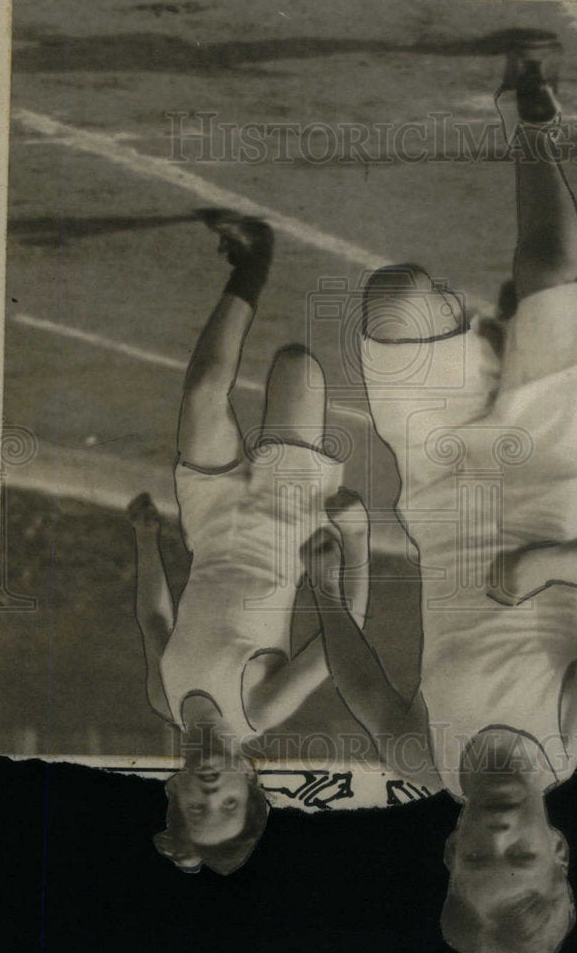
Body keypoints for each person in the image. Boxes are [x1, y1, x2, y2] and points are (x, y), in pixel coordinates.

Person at [303, 29, 577, 952]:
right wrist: (546, 560)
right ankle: (529, 118)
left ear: (450, 848)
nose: (500, 835)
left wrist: (323, 585)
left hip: (443, 479)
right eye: (524, 856)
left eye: (478, 857)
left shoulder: (420, 756)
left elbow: (358, 680)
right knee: (548, 275)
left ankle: (472, 345)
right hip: (554, 472)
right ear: (560, 850)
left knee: (397, 297)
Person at [127, 209, 351, 874]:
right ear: (250, 787)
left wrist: (145, 540)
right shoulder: (261, 710)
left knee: (202, 391)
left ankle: (252, 259)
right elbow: (346, 641)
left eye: (197, 811)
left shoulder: (163, 700)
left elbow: (154, 617)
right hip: (285, 522)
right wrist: (345, 561)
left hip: (211, 523)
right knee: (296, 364)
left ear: (173, 792)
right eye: (227, 807)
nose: (208, 796)